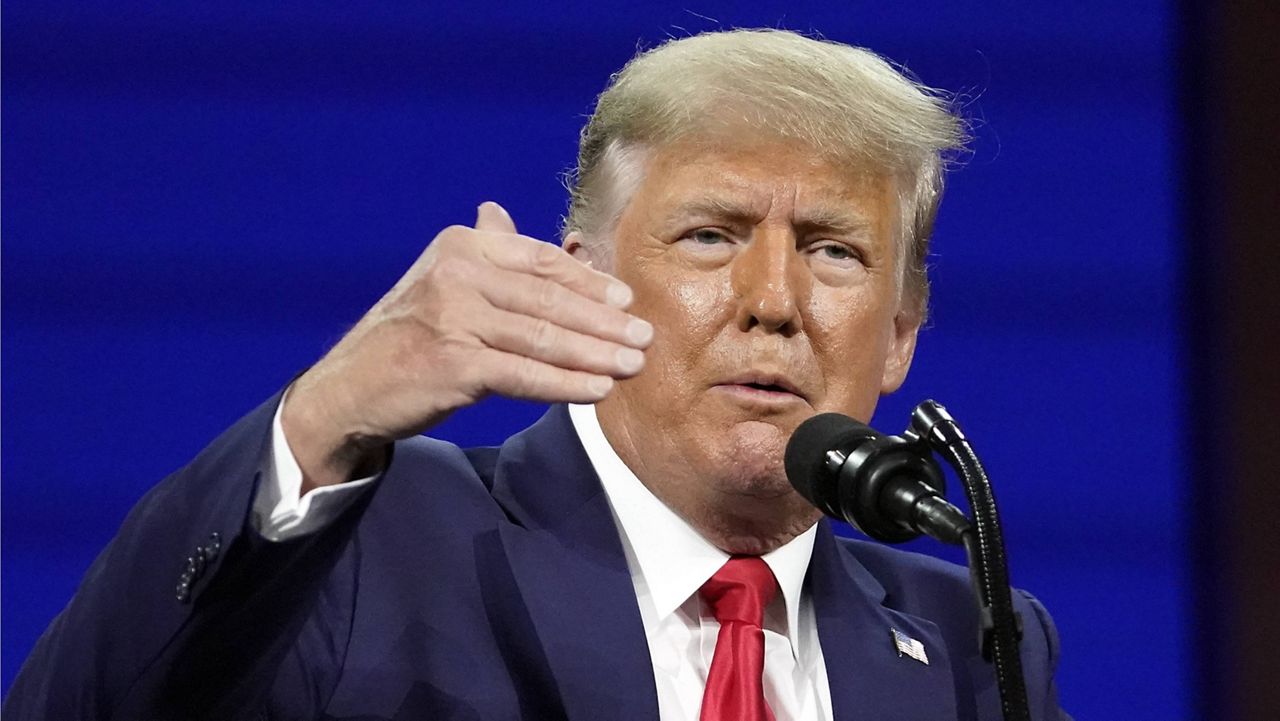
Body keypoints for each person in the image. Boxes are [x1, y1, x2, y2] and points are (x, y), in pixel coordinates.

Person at [5, 29, 1068, 720]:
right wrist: (323, 416)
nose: (773, 300)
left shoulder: (972, 641)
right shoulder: (374, 538)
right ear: (582, 282)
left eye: (833, 250)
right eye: (708, 235)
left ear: (899, 335)